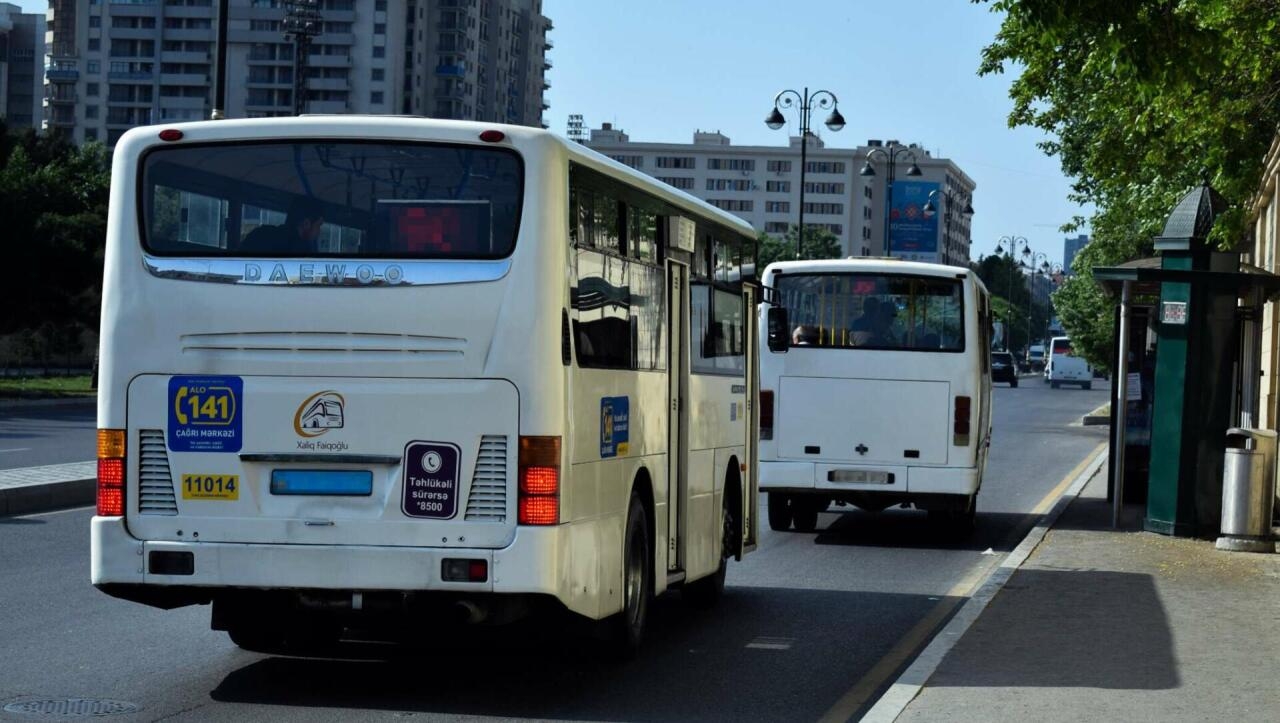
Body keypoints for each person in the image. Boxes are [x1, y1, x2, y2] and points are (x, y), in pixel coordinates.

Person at [239, 196, 325, 254]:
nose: (318, 232)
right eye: (318, 226)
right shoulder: (302, 252)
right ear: (306, 223)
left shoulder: (260, 234)